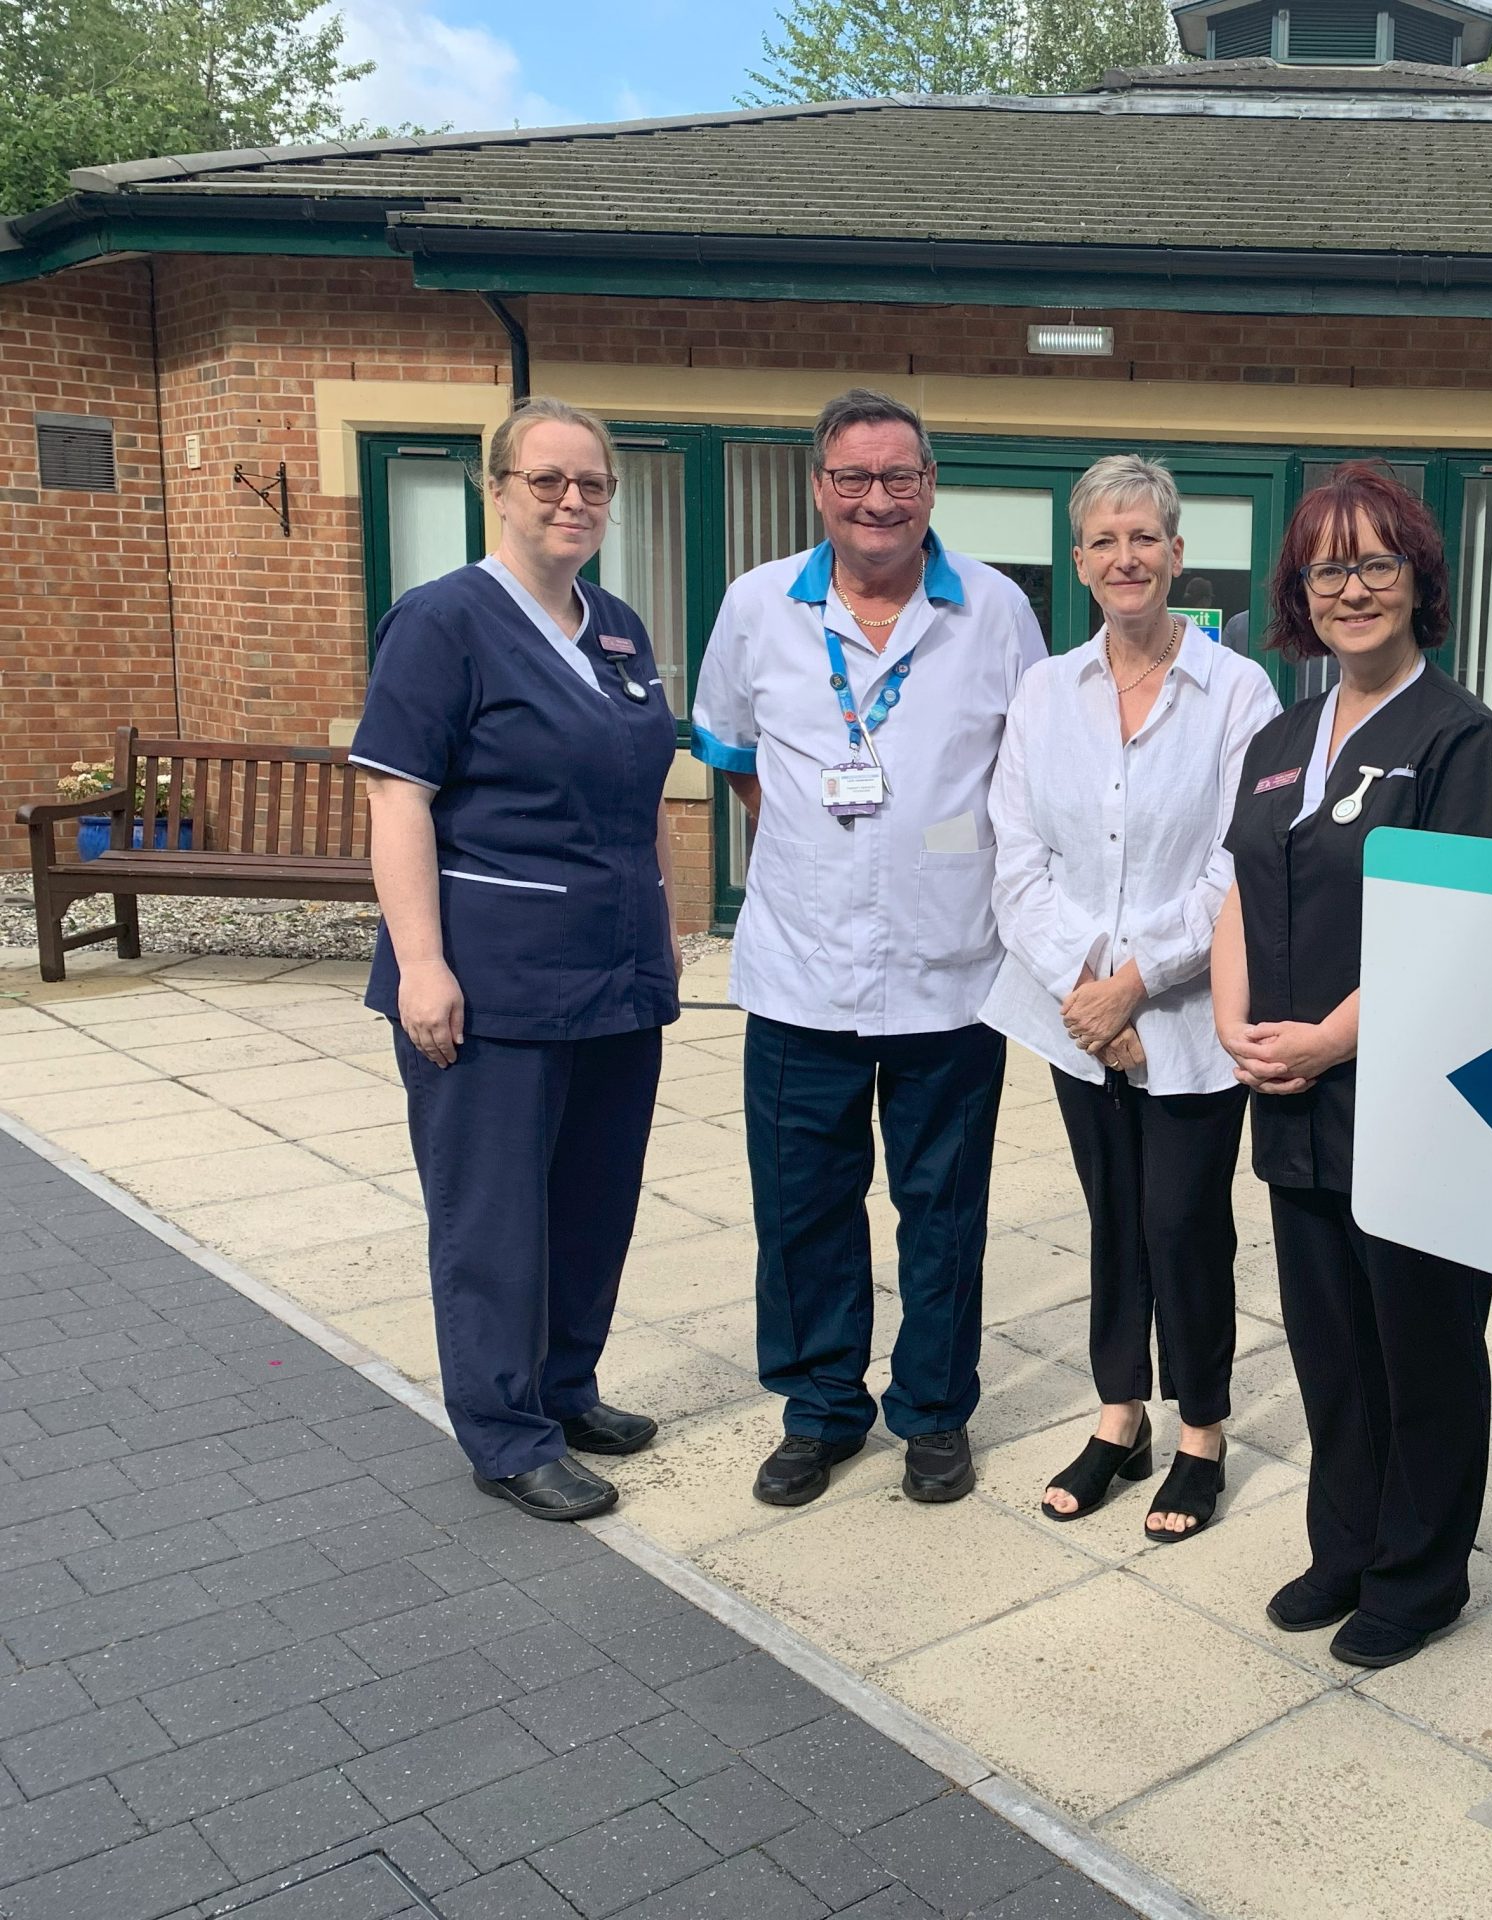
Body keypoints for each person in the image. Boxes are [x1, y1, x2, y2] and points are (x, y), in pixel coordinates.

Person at [692, 389, 1045, 1510]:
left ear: (930, 486)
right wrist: (824, 852)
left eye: (899, 477)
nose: (877, 499)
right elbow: (739, 761)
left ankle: (935, 1412)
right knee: (802, 1207)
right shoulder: (756, 608)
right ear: (818, 487)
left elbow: (1026, 781)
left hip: (954, 973)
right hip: (799, 970)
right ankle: (821, 1411)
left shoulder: (995, 611)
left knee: (943, 1206)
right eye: (853, 478)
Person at [1211, 462, 1492, 1667]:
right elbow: (1238, 887)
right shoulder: (1281, 737)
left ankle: (1419, 1573)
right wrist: (1242, 1027)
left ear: (1415, 579)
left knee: (1424, 1351)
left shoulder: (1461, 743)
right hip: (1292, 1102)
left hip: (1416, 1103)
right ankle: (1342, 1545)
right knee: (1332, 1347)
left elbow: (1467, 936)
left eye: (1374, 562)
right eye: (1327, 567)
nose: (1351, 588)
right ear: (1300, 590)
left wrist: (1329, 1039)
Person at [354, 396, 680, 1523]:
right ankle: (504, 1429)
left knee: (592, 1198)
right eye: (546, 480)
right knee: (493, 1213)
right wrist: (421, 967)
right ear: (496, 489)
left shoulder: (617, 625)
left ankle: (564, 1384)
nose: (572, 501)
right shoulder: (441, 621)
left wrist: (664, 924)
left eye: (592, 482)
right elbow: (401, 798)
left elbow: (635, 798)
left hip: (614, 973)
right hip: (491, 977)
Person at [983, 455, 1281, 1541]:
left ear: (1177, 554)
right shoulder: (1043, 693)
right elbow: (1014, 855)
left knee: (1184, 1223)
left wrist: (1134, 986)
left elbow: (1237, 862)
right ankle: (1121, 1419)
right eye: (1104, 540)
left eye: (1143, 537)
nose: (1125, 557)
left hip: (1191, 1020)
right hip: (1077, 1018)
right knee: (1113, 1220)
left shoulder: (1237, 691)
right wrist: (1084, 994)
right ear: (1078, 562)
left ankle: (1200, 1427)